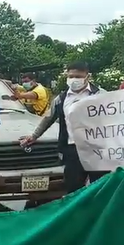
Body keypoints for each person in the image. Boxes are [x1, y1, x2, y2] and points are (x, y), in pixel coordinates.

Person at [20, 61, 109, 193]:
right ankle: (76, 213)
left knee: (100, 189)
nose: (74, 80)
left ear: (87, 76)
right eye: (71, 76)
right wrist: (34, 136)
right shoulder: (61, 99)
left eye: (78, 76)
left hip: (97, 150)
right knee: (73, 190)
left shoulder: (101, 95)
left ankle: (97, 213)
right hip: (73, 150)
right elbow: (48, 119)